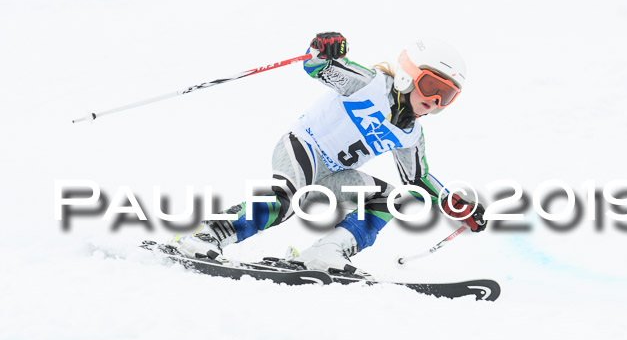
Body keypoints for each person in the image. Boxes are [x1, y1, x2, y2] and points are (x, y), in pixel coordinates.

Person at [173, 32, 487, 276]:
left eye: (446, 96)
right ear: (407, 74)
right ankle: (207, 235)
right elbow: (318, 66)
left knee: (392, 199)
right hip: (303, 149)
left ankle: (326, 253)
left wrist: (454, 204)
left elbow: (417, 180)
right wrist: (325, 47)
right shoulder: (369, 84)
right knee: (285, 203)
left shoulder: (410, 134)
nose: (434, 100)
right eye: (430, 85)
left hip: (335, 176)